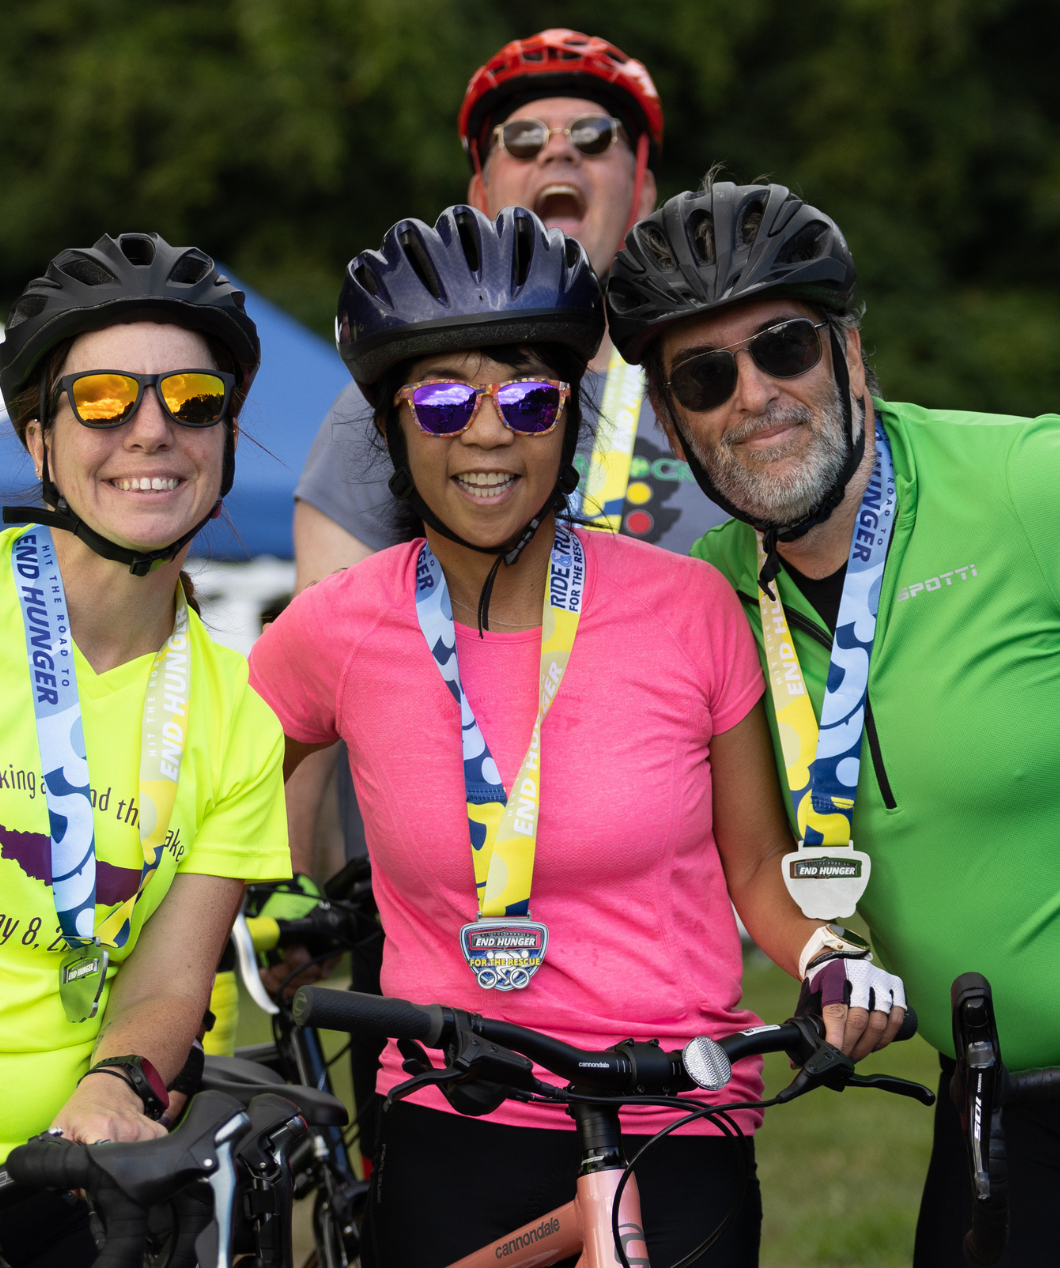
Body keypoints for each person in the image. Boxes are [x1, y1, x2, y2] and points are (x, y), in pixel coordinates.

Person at [247, 204, 906, 1268]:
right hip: (453, 1105)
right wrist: (267, 893)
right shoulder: (338, 626)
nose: (488, 433)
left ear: (570, 419)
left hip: (675, 1105)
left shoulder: (691, 606)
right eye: (443, 399)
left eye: (529, 397)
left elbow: (753, 865)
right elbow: (214, 791)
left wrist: (828, 957)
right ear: (390, 427)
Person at [606, 178, 1060, 1266]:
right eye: (705, 376)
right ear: (673, 424)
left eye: (784, 347)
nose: (755, 395)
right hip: (996, 1105)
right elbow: (756, 855)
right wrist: (823, 956)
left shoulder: (1034, 484)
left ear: (851, 355)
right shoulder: (705, 599)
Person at [282, 29, 720, 890]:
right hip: (437, 898)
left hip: (665, 902)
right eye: (522, 139)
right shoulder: (395, 400)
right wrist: (300, 895)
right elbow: (314, 675)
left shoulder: (709, 389)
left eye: (594, 135)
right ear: (481, 191)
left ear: (642, 189)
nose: (559, 151)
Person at [0, 233, 292, 1266]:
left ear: (225, 438)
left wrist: (115, 1082)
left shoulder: (241, 715)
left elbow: (170, 987)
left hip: (60, 1184)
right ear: (38, 439)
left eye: (193, 401)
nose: (153, 429)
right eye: (104, 399)